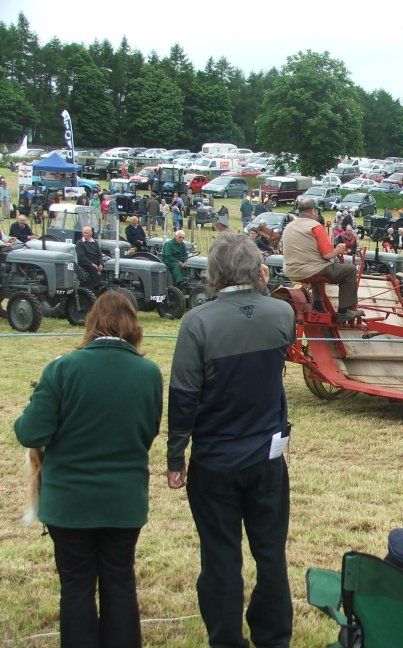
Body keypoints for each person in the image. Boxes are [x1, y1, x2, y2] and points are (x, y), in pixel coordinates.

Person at [167, 232, 295, 647]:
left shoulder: (198, 322)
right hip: (267, 457)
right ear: (257, 269)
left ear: (214, 273)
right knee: (271, 554)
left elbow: (184, 397)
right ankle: (273, 637)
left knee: (221, 557)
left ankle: (226, 639)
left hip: (216, 460)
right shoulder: (281, 314)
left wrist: (175, 456)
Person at [15, 292, 163, 647]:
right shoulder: (148, 373)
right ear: (133, 326)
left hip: (70, 504)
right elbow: (150, 431)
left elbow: (29, 431)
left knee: (77, 588)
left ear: (91, 323)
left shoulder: (63, 369)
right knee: (120, 583)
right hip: (123, 501)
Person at [281, 197, 362, 322]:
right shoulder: (316, 226)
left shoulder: (289, 226)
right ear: (313, 211)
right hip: (310, 269)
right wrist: (338, 250)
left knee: (319, 267)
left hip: (291, 270)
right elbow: (328, 254)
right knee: (350, 270)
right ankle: (344, 311)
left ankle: (318, 305)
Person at [76, 226, 103, 290]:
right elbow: (81, 257)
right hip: (85, 263)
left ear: (91, 233)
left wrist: (101, 264)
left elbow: (99, 254)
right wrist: (92, 264)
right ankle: (93, 289)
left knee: (105, 267)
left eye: (87, 233)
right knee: (93, 269)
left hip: (96, 262)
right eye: (84, 233)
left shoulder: (95, 242)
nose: (85, 234)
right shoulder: (79, 243)